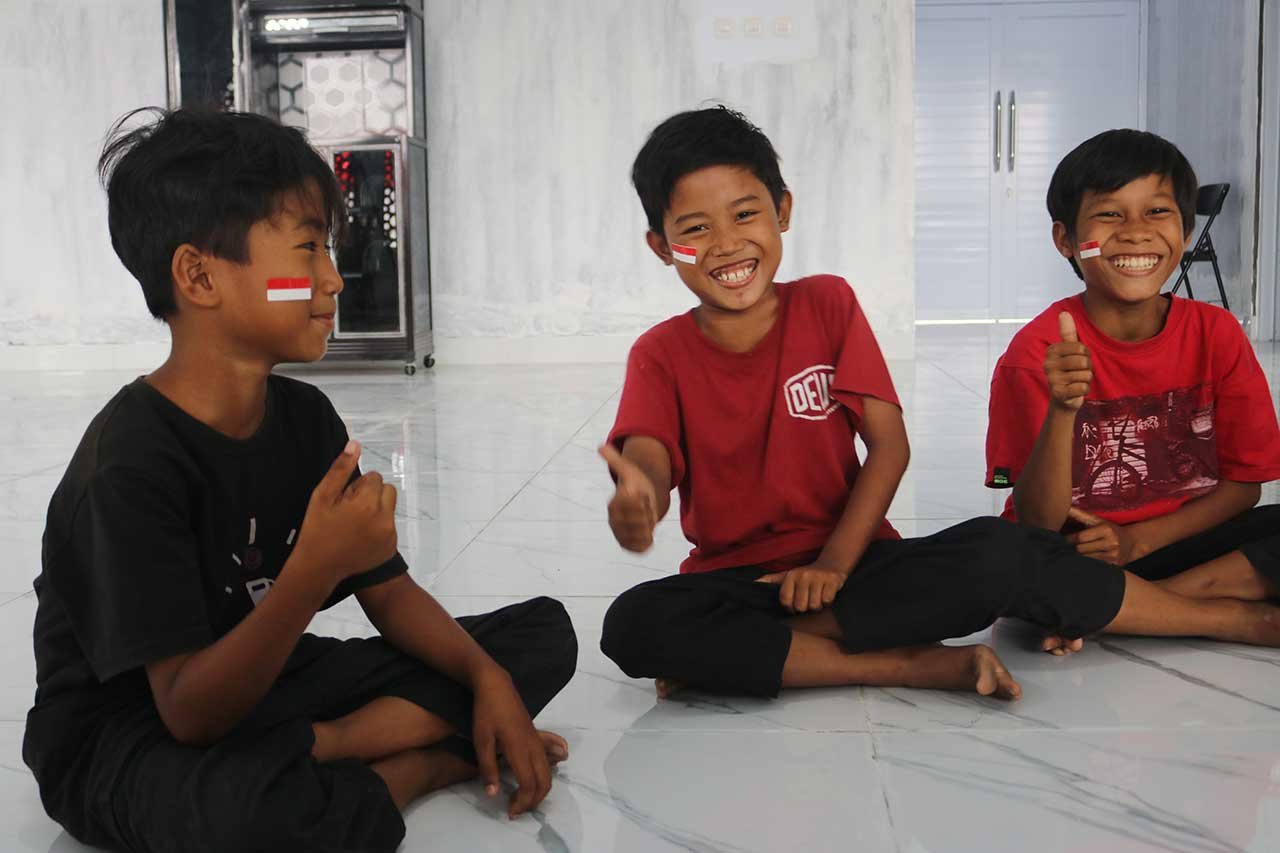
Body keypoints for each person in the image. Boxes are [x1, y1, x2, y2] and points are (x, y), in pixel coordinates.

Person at [22, 108, 577, 853]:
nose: (333, 277)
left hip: (266, 681)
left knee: (539, 636)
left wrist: (488, 680)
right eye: (308, 249)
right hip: (128, 728)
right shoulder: (128, 465)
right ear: (199, 276)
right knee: (241, 817)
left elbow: (389, 594)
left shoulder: (304, 418)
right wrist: (314, 567)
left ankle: (324, 748)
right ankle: (421, 762)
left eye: (329, 250)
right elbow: (188, 713)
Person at [598, 108, 1280, 703]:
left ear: (783, 210)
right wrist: (642, 492)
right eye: (696, 228)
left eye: (745, 214)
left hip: (861, 565)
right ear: (662, 246)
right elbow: (647, 452)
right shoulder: (659, 352)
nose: (725, 242)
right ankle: (912, 664)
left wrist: (834, 565)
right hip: (738, 580)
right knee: (632, 624)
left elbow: (888, 446)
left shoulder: (827, 302)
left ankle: (763, 651)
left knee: (996, 555)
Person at [985, 128, 1280, 654]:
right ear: (1066, 240)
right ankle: (1230, 618)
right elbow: (1036, 520)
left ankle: (1137, 608)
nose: (1136, 233)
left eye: (1157, 212)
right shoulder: (1035, 352)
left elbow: (1245, 487)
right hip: (1076, 552)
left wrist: (1136, 541)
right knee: (1000, 564)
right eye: (1110, 214)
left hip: (1181, 539)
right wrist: (1062, 408)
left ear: (1185, 232)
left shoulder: (1216, 333)